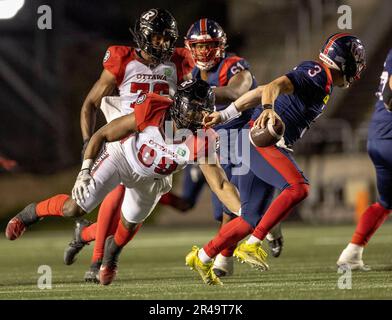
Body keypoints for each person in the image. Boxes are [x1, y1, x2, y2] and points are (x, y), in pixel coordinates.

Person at [5, 79, 241, 286]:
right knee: (73, 207)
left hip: (152, 179)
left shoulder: (204, 139)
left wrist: (243, 212)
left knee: (127, 226)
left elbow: (220, 185)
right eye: (195, 111)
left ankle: (111, 257)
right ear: (179, 106)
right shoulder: (154, 108)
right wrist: (85, 170)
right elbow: (103, 135)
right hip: (122, 158)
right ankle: (30, 214)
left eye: (204, 111)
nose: (201, 117)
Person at [185, 33, 366, 285]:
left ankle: (203, 256)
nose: (357, 67)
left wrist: (224, 115)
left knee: (249, 218)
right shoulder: (317, 73)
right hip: (258, 142)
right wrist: (269, 111)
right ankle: (253, 244)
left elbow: (260, 90)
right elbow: (272, 88)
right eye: (356, 60)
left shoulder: (321, 80)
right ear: (344, 60)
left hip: (253, 140)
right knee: (299, 187)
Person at [62, 8, 194, 282]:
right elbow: (89, 104)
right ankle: (99, 260)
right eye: (157, 38)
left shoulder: (179, 62)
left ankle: (88, 237)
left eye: (168, 39)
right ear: (144, 36)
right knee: (115, 195)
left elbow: (191, 99)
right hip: (123, 136)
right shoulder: (122, 60)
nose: (163, 44)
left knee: (132, 217)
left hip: (158, 141)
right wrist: (89, 142)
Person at [337, 48, 392, 270]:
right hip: (389, 137)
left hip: (378, 137)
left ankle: (352, 253)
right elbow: (390, 98)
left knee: (386, 203)